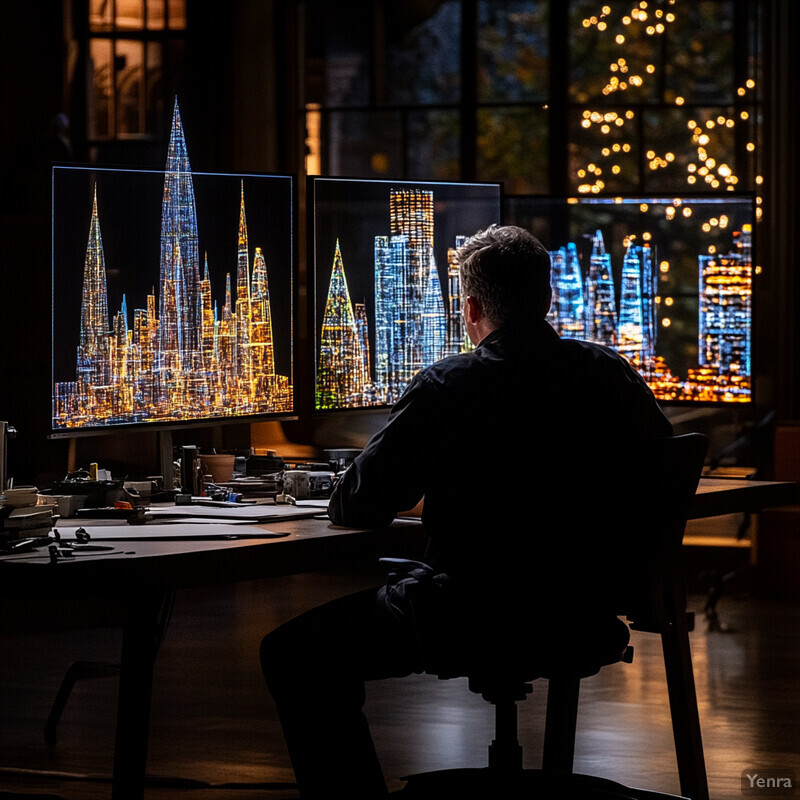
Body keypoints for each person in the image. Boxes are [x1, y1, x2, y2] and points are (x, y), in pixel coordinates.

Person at [260, 224, 673, 799]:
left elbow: (363, 504)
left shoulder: (449, 385)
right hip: (581, 610)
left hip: (468, 611)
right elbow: (660, 478)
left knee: (295, 655)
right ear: (546, 299)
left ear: (472, 306)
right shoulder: (613, 376)